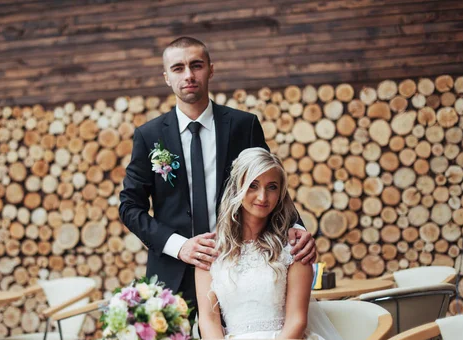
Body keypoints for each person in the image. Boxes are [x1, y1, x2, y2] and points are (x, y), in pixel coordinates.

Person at [119, 36, 316, 311]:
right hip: (174, 274)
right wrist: (179, 246)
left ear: (211, 69)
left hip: (239, 269)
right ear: (166, 77)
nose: (188, 75)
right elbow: (130, 207)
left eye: (196, 65)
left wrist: (296, 230)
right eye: (178, 68)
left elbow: (270, 184)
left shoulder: (243, 125)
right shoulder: (149, 136)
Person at [195, 148, 380, 340]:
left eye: (272, 187)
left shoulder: (294, 247)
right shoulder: (210, 250)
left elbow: (297, 320)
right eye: (253, 185)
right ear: (237, 187)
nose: (262, 196)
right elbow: (209, 321)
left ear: (281, 193)